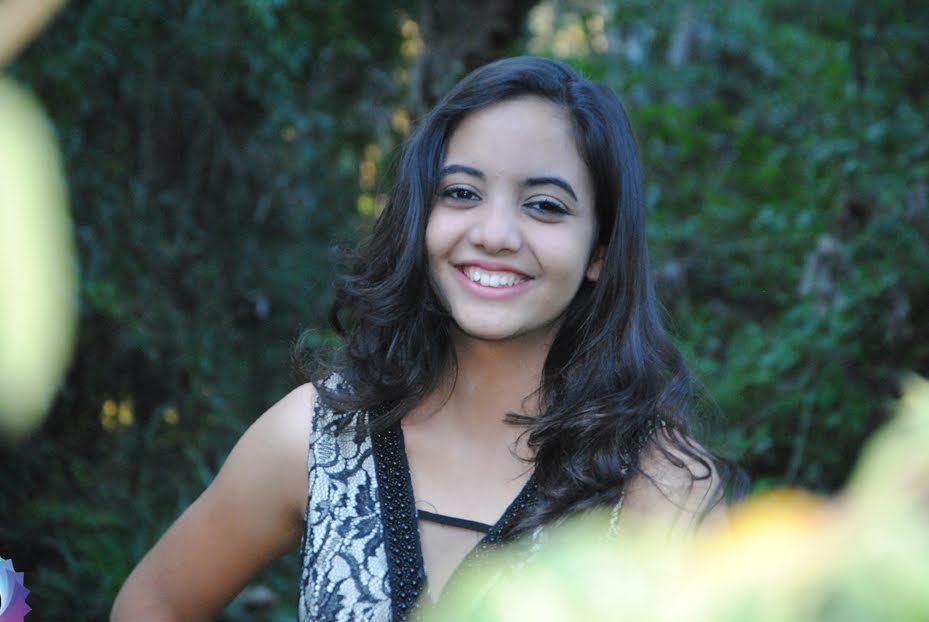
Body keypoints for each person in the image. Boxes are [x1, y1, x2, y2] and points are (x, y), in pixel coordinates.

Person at [111, 56, 743, 622]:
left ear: (599, 250)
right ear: (424, 215)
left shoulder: (663, 492)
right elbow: (154, 603)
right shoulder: (319, 435)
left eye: (545, 205)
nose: (494, 234)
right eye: (462, 193)